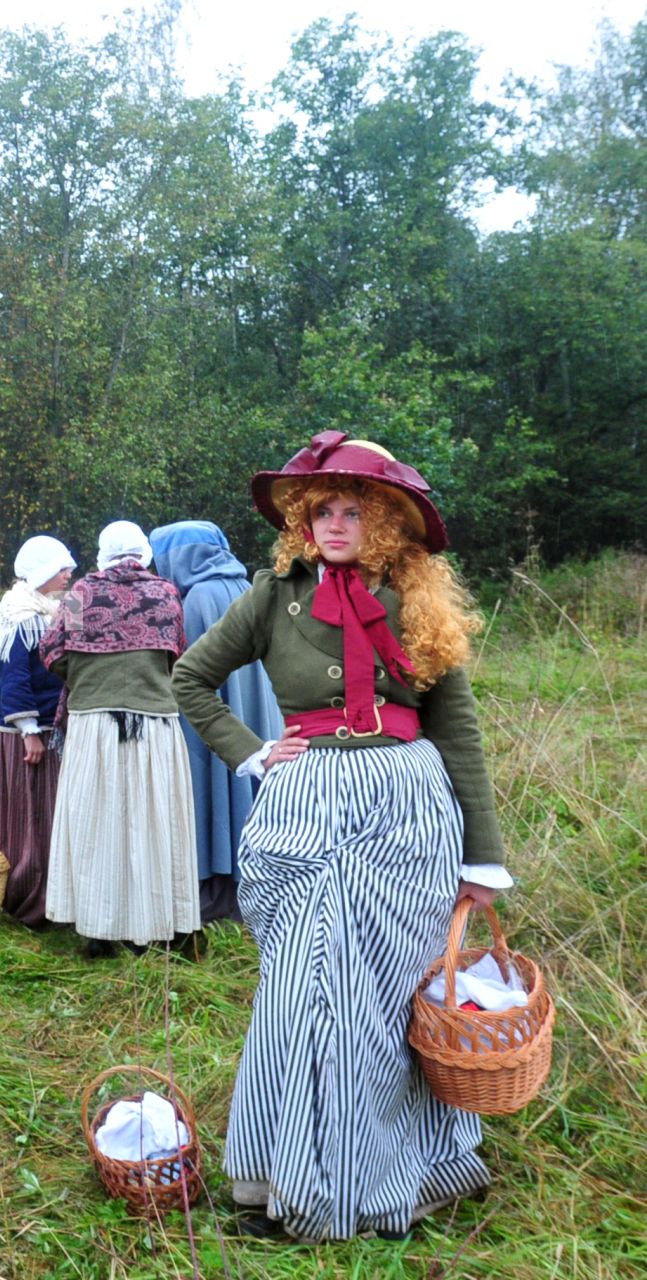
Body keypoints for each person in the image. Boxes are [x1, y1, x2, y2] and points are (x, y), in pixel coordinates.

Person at [172, 432, 509, 1241]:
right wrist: (254, 755)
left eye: (351, 510)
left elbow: (455, 732)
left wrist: (483, 855)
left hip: (405, 812)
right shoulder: (272, 594)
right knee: (300, 994)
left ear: (385, 520)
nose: (332, 523)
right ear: (300, 518)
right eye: (319, 509)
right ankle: (288, 1173)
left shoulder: (417, 601)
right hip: (303, 808)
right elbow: (190, 677)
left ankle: (396, 1175)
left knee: (389, 1002)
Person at [39, 521, 199, 954]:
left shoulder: (79, 595)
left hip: (94, 723)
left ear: (103, 552)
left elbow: (51, 651)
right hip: (154, 725)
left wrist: (87, 677)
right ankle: (155, 926)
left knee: (98, 823)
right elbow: (176, 655)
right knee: (153, 823)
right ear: (142, 552)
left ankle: (97, 932)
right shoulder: (166, 593)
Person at [147, 520, 284, 924]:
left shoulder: (197, 600)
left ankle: (216, 888)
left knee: (211, 789)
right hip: (257, 715)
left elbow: (186, 673)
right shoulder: (246, 587)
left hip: (214, 718)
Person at [0, 537, 75, 925]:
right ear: (41, 573)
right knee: (33, 814)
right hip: (29, 734)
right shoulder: (24, 616)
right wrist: (29, 730)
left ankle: (50, 892)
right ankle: (31, 897)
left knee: (46, 811)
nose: (70, 574)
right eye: (61, 568)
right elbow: (14, 677)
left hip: (45, 727)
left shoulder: (50, 608)